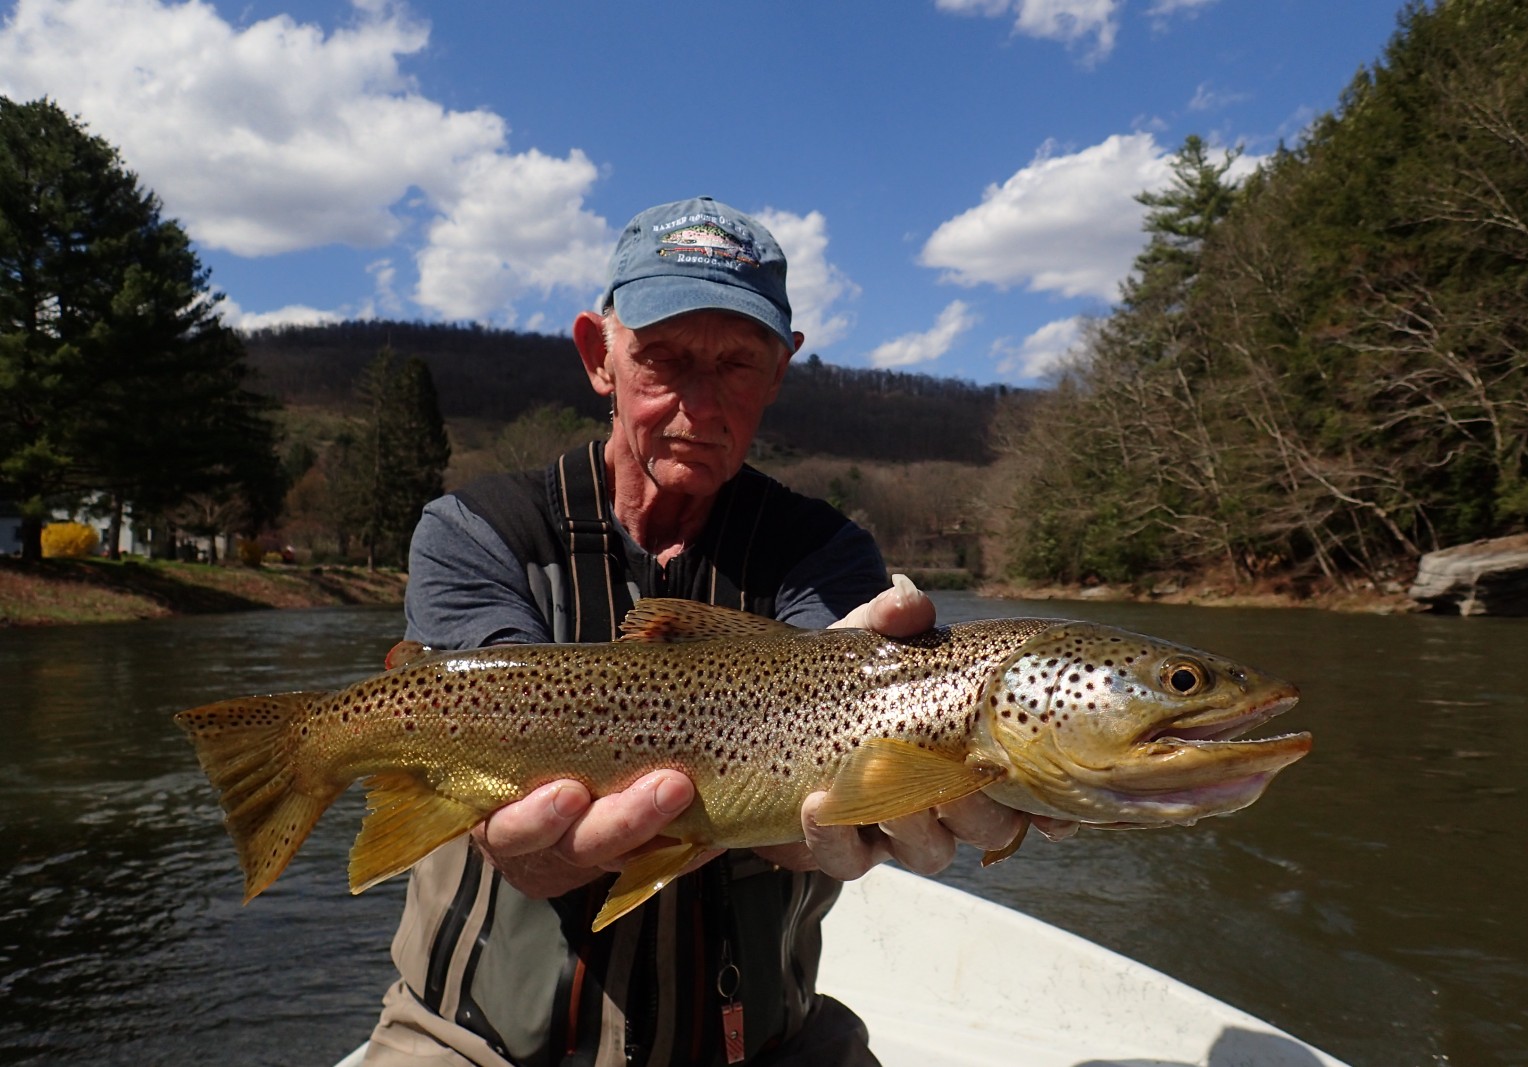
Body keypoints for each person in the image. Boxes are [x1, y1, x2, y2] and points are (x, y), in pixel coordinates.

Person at [363, 196, 1046, 1067]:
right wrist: (514, 824)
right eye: (665, 360)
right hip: (471, 1044)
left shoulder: (825, 554)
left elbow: (826, 736)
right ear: (597, 356)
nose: (699, 404)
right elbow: (505, 710)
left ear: (781, 371)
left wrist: (890, 778)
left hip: (768, 1046)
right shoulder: (476, 530)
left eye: (737, 364)